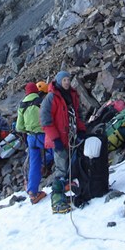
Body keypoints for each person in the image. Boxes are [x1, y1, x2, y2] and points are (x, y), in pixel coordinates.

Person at [40, 71, 86, 214]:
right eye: (64, 80)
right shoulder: (51, 98)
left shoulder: (71, 95)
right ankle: (57, 198)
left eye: (68, 79)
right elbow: (46, 121)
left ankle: (69, 189)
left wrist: (82, 129)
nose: (67, 82)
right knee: (61, 168)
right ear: (59, 81)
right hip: (59, 139)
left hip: (70, 137)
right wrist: (55, 139)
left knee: (71, 164)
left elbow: (77, 114)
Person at [16, 82, 53, 205]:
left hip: (30, 138)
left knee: (34, 163)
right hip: (43, 134)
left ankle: (33, 192)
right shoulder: (40, 101)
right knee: (56, 152)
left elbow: (19, 127)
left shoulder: (22, 105)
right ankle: (65, 181)